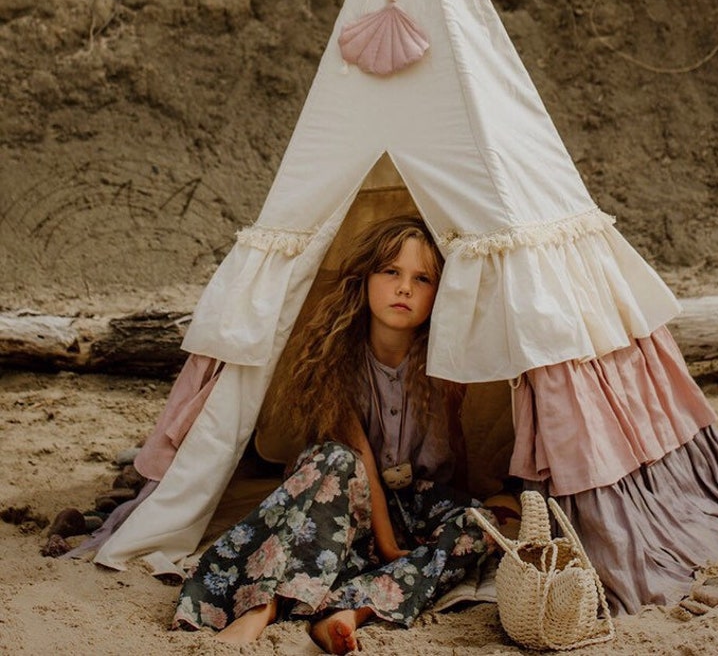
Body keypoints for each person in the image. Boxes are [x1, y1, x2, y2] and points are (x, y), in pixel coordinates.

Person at [171, 216, 493, 651]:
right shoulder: (337, 358)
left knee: (480, 525)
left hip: (415, 498)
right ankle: (260, 606)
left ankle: (349, 611)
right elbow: (358, 460)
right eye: (391, 272)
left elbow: (456, 462)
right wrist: (386, 543)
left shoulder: (447, 361)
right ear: (364, 280)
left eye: (423, 279)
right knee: (334, 459)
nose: (405, 289)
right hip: (347, 497)